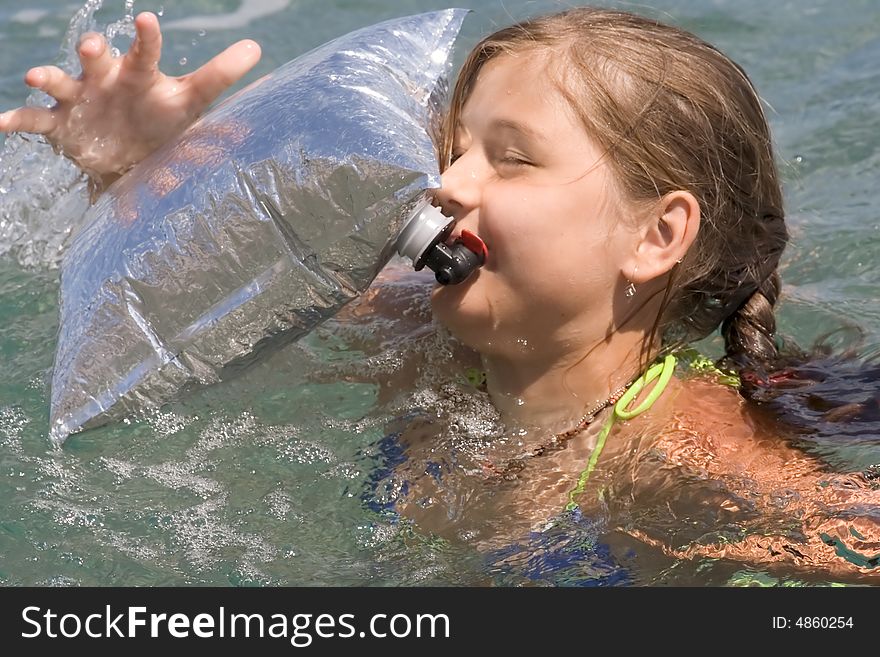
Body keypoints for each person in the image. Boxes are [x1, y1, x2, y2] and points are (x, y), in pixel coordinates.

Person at [2, 8, 878, 584]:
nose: (445, 184)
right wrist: (145, 174)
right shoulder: (412, 343)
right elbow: (193, 305)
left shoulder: (684, 447)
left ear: (657, 236)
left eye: (512, 156)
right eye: (454, 150)